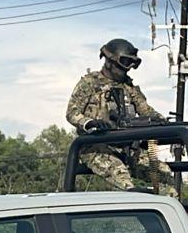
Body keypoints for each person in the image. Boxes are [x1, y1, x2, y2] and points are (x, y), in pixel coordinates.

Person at [65, 38, 178, 195]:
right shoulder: (90, 83)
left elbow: (146, 110)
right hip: (96, 145)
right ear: (109, 61)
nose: (129, 68)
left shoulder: (128, 86)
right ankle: (138, 201)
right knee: (122, 177)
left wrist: (163, 123)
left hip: (129, 147)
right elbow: (72, 112)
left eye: (133, 63)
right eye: (125, 62)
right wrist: (90, 123)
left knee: (163, 173)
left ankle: (172, 207)